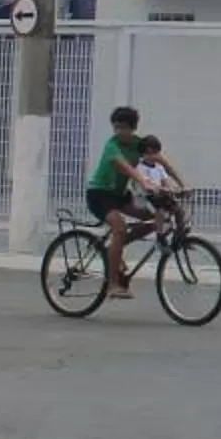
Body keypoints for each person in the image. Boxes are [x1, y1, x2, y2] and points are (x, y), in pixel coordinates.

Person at [86, 105, 150, 299]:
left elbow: (159, 160)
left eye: (124, 127)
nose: (119, 131)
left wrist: (178, 184)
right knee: (119, 226)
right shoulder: (111, 145)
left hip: (120, 196)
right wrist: (143, 180)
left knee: (156, 219)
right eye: (116, 127)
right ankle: (112, 284)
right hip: (99, 195)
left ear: (133, 128)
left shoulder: (139, 144)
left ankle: (114, 247)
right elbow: (122, 166)